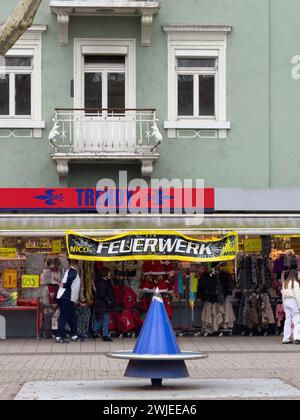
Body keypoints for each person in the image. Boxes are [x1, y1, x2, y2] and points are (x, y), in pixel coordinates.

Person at [55, 259, 81, 343]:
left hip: (68, 299)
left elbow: (66, 282)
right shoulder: (73, 270)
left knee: (72, 318)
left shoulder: (70, 270)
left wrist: (61, 283)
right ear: (76, 263)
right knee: (64, 317)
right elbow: (70, 279)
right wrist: (66, 284)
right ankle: (58, 337)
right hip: (67, 299)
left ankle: (74, 335)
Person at [94, 267, 116, 342]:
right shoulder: (103, 282)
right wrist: (108, 301)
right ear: (106, 273)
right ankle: (104, 334)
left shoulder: (103, 281)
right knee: (105, 319)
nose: (110, 274)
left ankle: (95, 331)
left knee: (101, 319)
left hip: (102, 304)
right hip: (103, 304)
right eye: (109, 272)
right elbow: (102, 294)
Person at [281, 268, 300, 345]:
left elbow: (283, 295)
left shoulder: (285, 283)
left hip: (286, 302)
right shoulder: (295, 283)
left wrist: (284, 305)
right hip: (293, 301)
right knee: (297, 320)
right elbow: (298, 295)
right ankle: (297, 338)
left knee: (287, 320)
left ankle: (286, 338)